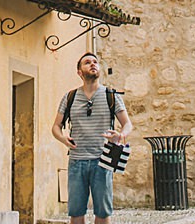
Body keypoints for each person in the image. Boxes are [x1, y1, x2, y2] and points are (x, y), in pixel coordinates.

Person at [51, 51, 133, 224]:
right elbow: (56, 127)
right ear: (80, 72)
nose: (93, 64)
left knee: (103, 213)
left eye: (95, 62)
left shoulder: (112, 95)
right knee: (76, 213)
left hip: (103, 161)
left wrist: (121, 135)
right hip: (76, 161)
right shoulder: (70, 97)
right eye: (87, 62)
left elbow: (128, 124)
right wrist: (63, 139)